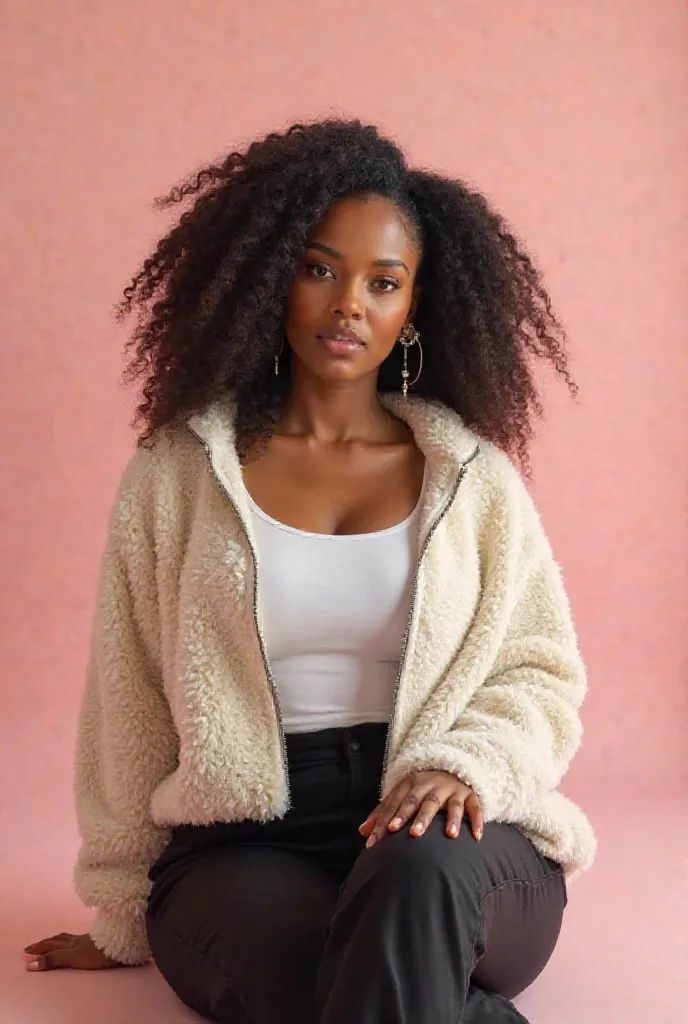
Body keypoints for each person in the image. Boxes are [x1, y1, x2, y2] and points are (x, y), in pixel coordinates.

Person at [23, 119, 596, 1024]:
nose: (349, 305)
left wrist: (469, 763)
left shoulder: (473, 479)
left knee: (410, 890)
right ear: (269, 277)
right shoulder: (178, 472)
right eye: (320, 268)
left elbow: (541, 670)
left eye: (384, 282)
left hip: (444, 829)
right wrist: (123, 911)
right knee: (347, 975)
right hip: (243, 844)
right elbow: (126, 697)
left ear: (417, 306)